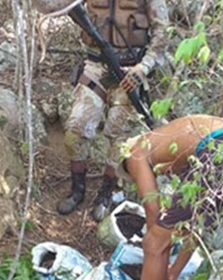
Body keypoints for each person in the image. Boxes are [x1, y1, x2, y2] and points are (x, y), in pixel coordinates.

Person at [118, 114, 223, 280]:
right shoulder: (184, 149)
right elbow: (193, 230)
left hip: (220, 149)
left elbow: (154, 217)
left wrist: (156, 260)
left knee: (153, 244)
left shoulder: (136, 152)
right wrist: (172, 273)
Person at [56, 0, 169, 221]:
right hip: (95, 67)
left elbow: (162, 31)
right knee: (74, 132)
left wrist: (143, 68)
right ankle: (77, 190)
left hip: (130, 71)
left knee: (119, 140)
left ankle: (106, 193)